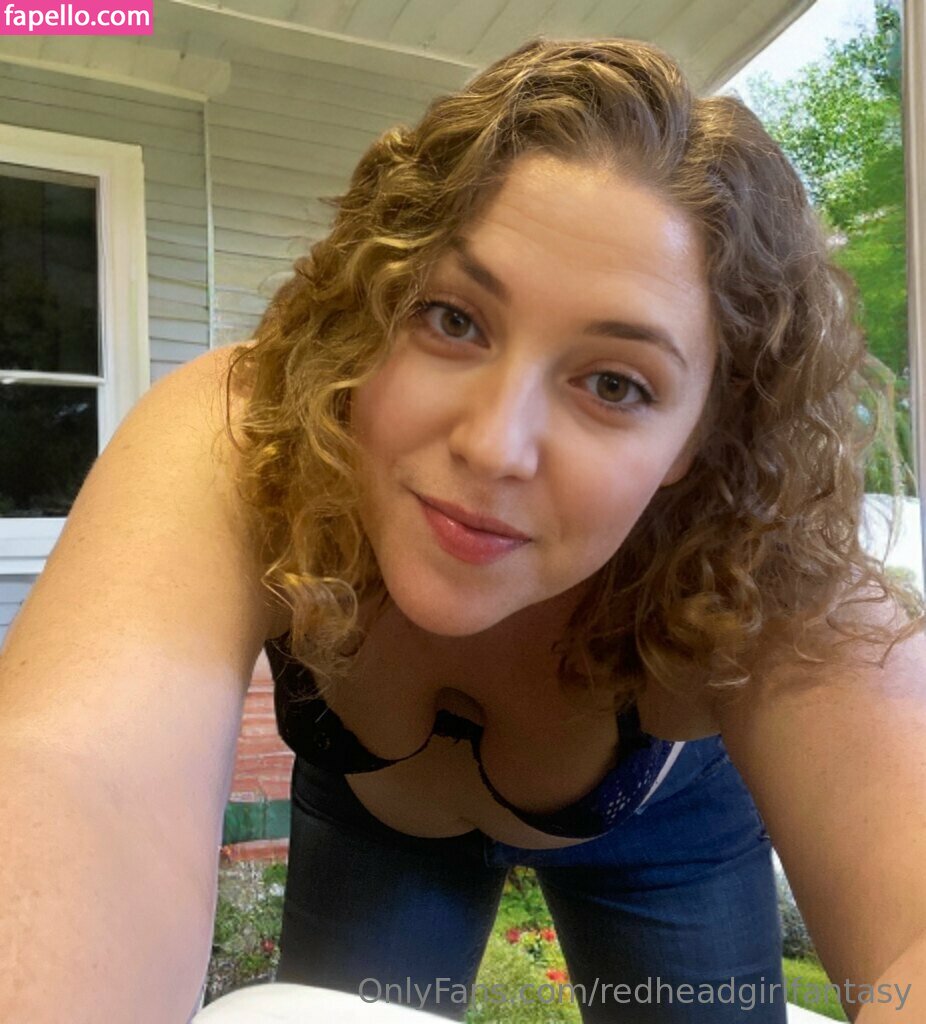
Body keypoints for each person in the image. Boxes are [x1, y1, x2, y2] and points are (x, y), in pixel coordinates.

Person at [1, 37, 924, 1024]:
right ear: (370, 307)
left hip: (664, 833)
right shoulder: (255, 438)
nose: (492, 445)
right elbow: (77, 779)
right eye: (451, 318)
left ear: (702, 436)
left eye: (615, 384)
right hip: (373, 828)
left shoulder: (751, 552)